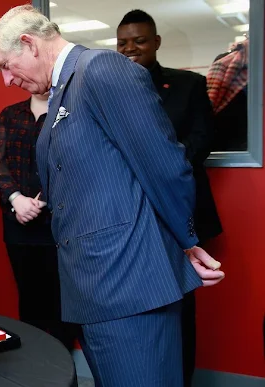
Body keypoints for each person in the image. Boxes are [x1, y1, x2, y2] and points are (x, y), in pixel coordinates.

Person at [0, 5, 225, 387]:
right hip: (94, 287)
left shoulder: (100, 69)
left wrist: (185, 241)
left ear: (29, 44)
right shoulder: (65, 88)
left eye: (6, 65)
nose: (6, 80)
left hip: (128, 284)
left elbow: (164, 164)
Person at [116, 10, 224, 387]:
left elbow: (202, 139)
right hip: (132, 214)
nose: (130, 49)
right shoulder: (110, 89)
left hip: (181, 211)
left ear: (157, 42)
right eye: (123, 42)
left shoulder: (188, 85)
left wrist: (162, 168)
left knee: (181, 305)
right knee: (143, 305)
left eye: (140, 40)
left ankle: (180, 379)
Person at [0, 91, 78, 350]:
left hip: (59, 224)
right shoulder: (10, 114)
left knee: (61, 300)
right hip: (18, 223)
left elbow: (76, 162)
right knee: (29, 299)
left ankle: (62, 363)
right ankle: (34, 362)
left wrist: (45, 199)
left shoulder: (69, 113)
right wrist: (16, 199)